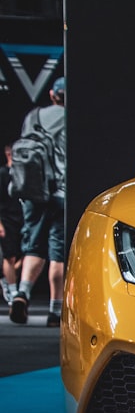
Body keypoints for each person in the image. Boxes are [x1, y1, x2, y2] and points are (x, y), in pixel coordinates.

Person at [9, 77, 66, 327]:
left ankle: (23, 293)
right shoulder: (72, 119)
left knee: (33, 247)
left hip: (33, 192)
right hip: (62, 192)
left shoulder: (34, 116)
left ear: (53, 94)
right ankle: (55, 312)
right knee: (58, 253)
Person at [1, 142, 25, 307]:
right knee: (9, 256)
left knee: (26, 255)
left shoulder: (22, 174)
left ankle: (5, 279)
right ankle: (12, 289)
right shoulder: (2, 174)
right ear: (8, 153)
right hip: (6, 218)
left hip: (22, 219)